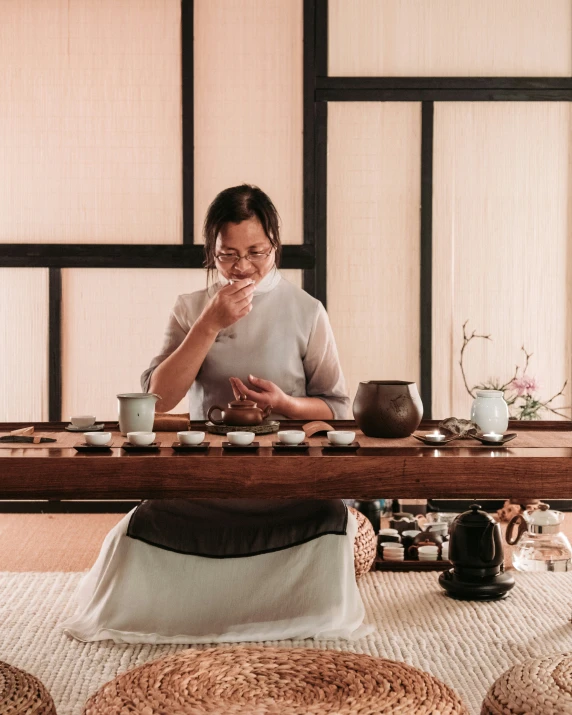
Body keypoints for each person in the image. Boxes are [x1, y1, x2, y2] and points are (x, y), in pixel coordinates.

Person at [61, 185, 371, 644]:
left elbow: (337, 406)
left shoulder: (307, 311)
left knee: (327, 514)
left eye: (256, 252)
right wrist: (210, 323)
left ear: (275, 246)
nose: (242, 266)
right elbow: (158, 400)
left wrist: (285, 405)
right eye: (228, 255)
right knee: (150, 518)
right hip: (211, 470)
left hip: (283, 472)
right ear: (212, 252)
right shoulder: (191, 307)